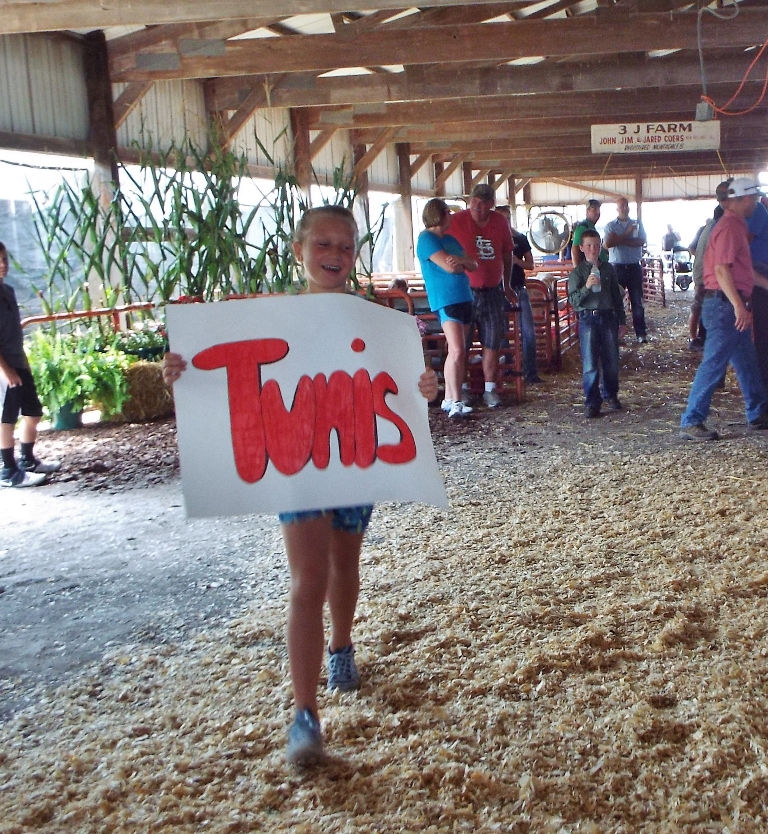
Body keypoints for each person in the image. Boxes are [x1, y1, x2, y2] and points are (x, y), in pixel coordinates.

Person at [162, 206, 439, 767]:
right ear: (299, 250)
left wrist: (425, 386)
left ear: (355, 253)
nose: (334, 255)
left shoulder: (376, 324)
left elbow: (404, 389)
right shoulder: (267, 321)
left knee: (345, 564)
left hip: (355, 458)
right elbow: (230, 380)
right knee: (308, 577)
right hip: (295, 463)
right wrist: (182, 376)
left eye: (345, 245)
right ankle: (304, 713)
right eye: (323, 244)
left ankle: (341, 645)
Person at [680, 178, 768, 441]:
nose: (756, 203)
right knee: (714, 362)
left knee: (746, 360)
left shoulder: (735, 225)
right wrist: (738, 305)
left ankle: (758, 412)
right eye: (753, 199)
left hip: (726, 303)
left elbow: (743, 271)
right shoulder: (730, 227)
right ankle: (692, 419)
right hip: (724, 305)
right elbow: (721, 270)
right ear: (743, 199)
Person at [0, 242, 61, 488]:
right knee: (6, 418)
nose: (2, 264)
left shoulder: (8, 290)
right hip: (4, 367)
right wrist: (6, 370)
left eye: (4, 259)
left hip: (17, 361)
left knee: (33, 411)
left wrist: (22, 363)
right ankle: (8, 470)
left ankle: (27, 460)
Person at [448, 183, 513, 408]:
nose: (477, 206)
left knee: (492, 341)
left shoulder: (499, 222)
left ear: (491, 204)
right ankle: (462, 388)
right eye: (474, 202)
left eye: (482, 203)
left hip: (492, 290)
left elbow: (507, 253)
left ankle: (490, 389)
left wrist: (507, 284)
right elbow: (439, 243)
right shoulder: (456, 221)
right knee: (461, 343)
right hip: (464, 291)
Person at [416, 198, 477, 419]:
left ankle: (452, 397)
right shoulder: (426, 239)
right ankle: (455, 399)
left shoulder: (450, 239)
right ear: (440, 215)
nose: (451, 217)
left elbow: (472, 264)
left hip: (464, 296)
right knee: (457, 349)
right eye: (448, 213)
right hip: (446, 298)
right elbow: (450, 268)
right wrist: (462, 264)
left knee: (460, 350)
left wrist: (460, 261)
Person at [567, 229, 627, 418]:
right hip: (588, 318)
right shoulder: (578, 273)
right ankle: (592, 402)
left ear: (600, 246)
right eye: (589, 245)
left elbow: (616, 296)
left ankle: (611, 394)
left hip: (608, 317)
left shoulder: (608, 269)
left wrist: (622, 320)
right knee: (590, 362)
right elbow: (573, 300)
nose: (593, 249)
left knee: (611, 360)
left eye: (596, 245)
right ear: (582, 248)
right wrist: (587, 287)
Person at [496, 205, 542, 384]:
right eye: (501, 219)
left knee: (528, 331)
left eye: (507, 218)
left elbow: (530, 264)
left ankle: (530, 372)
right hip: (498, 289)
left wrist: (516, 261)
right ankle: (508, 369)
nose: (505, 222)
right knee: (502, 331)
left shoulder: (520, 239)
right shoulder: (492, 240)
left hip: (518, 287)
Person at [687, 181, 731, 351]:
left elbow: (692, 248)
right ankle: (694, 338)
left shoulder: (705, 228)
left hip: (703, 271)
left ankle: (699, 337)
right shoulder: (717, 228)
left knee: (701, 305)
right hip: (705, 273)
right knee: (699, 305)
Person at [603, 197, 649, 344]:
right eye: (621, 206)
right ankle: (616, 334)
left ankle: (641, 333)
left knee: (637, 301)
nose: (624, 208)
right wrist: (627, 234)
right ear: (617, 208)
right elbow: (607, 244)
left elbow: (641, 241)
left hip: (634, 266)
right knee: (616, 301)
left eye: (626, 205)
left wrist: (619, 239)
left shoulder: (637, 223)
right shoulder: (610, 225)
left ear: (628, 207)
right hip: (617, 267)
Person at [746, 192, 768, 390]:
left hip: (756, 270)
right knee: (762, 333)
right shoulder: (758, 210)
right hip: (759, 270)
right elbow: (744, 241)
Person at [570, 199, 608, 267]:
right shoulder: (583, 227)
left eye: (598, 210)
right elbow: (575, 249)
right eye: (594, 209)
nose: (597, 212)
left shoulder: (591, 226)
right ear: (587, 211)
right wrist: (577, 270)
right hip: (590, 268)